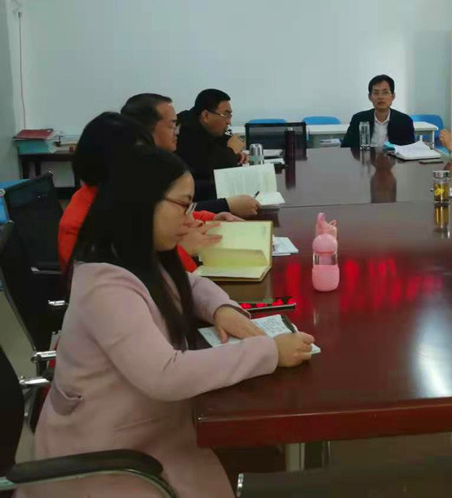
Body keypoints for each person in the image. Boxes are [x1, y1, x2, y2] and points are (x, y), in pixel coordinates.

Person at [25, 146, 315, 498]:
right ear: (142, 202)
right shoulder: (105, 284)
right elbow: (165, 374)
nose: (192, 219)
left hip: (144, 427)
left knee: (259, 454)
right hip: (107, 455)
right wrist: (268, 352)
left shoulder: (135, 254)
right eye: (184, 205)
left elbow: (190, 285)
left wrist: (220, 309)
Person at [58, 113, 223, 274]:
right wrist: (180, 250)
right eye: (140, 158)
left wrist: (210, 218)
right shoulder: (80, 225)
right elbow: (136, 278)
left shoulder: (123, 195)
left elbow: (168, 212)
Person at [122, 92, 259, 218]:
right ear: (146, 129)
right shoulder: (136, 168)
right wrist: (227, 205)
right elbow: (169, 212)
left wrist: (213, 215)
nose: (177, 132)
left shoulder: (156, 159)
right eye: (172, 125)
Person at [176, 89, 247, 187]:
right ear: (206, 116)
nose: (228, 122)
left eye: (229, 116)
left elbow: (217, 148)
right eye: (225, 115)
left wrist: (235, 155)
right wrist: (231, 150)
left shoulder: (208, 129)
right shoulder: (185, 130)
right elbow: (206, 168)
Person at [341, 75, 415, 148]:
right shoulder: (359, 119)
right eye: (376, 93)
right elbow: (346, 147)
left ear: (393, 96)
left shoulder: (404, 121)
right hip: (365, 156)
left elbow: (410, 150)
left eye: (385, 92)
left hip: (393, 156)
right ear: (370, 97)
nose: (380, 97)